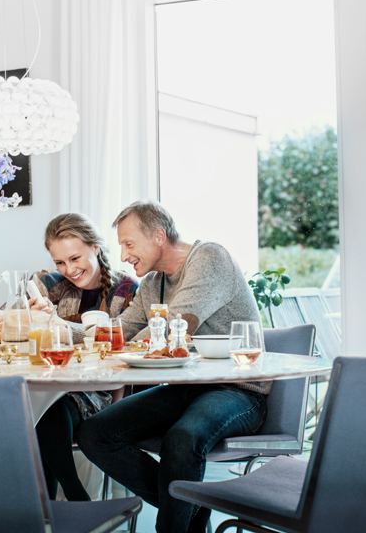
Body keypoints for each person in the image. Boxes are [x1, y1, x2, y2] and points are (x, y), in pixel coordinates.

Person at [77, 200, 269, 533]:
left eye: (128, 244)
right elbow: (119, 330)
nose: (122, 255)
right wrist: (54, 327)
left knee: (182, 440)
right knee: (96, 434)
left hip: (238, 390)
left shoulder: (210, 258)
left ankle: (178, 520)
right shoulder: (153, 284)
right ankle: (194, 508)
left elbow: (175, 327)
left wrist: (135, 340)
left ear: (158, 235)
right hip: (186, 388)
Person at [31, 213, 138, 502]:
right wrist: (29, 315)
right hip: (51, 387)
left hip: (96, 391)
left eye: (75, 258)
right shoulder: (48, 285)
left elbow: (124, 353)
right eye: (60, 262)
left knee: (48, 408)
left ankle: (64, 505)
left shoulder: (125, 291)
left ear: (96, 248)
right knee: (46, 404)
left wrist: (117, 412)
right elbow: (6, 325)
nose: (69, 269)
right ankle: (69, 504)